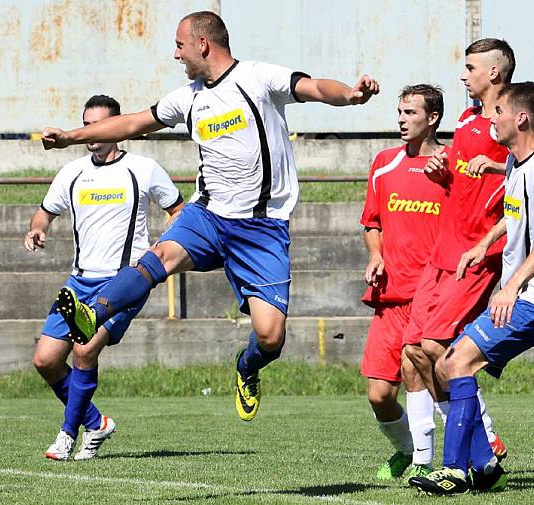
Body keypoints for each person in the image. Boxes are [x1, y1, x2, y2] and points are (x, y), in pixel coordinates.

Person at [41, 10, 379, 422]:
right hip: (209, 215)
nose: (175, 54)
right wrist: (70, 138)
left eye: (180, 45)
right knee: (160, 256)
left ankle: (247, 366)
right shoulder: (189, 96)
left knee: (270, 337)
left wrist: (351, 95)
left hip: (262, 226)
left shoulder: (256, 78)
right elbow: (131, 123)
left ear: (203, 44)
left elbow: (312, 88)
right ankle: (95, 312)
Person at [411, 81, 534, 495]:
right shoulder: (518, 165)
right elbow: (517, 213)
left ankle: (453, 470)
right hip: (526, 294)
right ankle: (484, 465)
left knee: (456, 363)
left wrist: (511, 287)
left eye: (499, 112)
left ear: (520, 118)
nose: (492, 119)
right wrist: (483, 244)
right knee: (453, 360)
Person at [26, 95, 184, 461]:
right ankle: (96, 422)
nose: (90, 133)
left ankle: (67, 434)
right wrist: (37, 230)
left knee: (84, 349)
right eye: (85, 124)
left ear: (116, 128)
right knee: (45, 361)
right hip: (79, 281)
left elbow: (179, 209)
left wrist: (165, 243)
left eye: (97, 125)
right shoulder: (72, 172)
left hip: (122, 282)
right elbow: (44, 213)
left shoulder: (143, 169)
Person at [402, 39, 515, 462]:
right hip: (443, 249)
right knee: (413, 350)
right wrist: (443, 169)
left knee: (438, 349)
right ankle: (480, 446)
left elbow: (533, 167)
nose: (463, 75)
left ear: (494, 73)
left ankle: (480, 441)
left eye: (469, 67)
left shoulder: (509, 120)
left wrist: (498, 166)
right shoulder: (468, 117)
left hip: (478, 252)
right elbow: (463, 173)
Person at [360, 85, 447, 481]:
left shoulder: (451, 167)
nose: (401, 119)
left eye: (410, 112)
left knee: (438, 382)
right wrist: (376, 255)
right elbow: (371, 222)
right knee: (379, 395)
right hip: (389, 296)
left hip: (432, 297)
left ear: (432, 119)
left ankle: (478, 450)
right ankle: (409, 451)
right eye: (399, 112)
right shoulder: (383, 163)